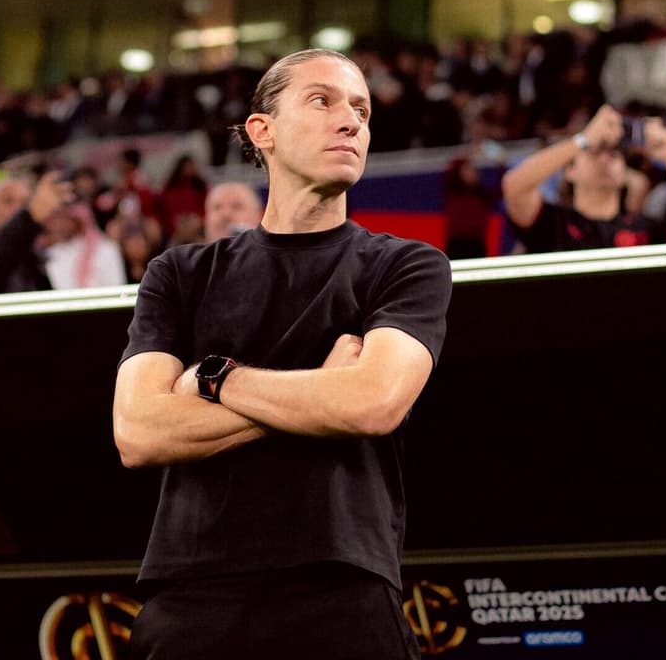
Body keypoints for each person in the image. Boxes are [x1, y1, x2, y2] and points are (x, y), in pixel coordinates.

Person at [113, 48, 451, 660]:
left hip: (343, 590)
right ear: (261, 130)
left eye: (362, 111)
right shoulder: (179, 273)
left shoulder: (407, 265)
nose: (350, 121)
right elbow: (138, 432)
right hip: (190, 594)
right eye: (322, 100)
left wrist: (213, 379)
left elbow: (372, 403)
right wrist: (322, 389)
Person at [502, 105, 666, 253]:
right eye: (594, 152)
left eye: (614, 154)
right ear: (570, 171)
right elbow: (514, 186)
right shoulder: (553, 222)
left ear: (626, 173)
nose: (605, 160)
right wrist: (583, 140)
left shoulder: (644, 229)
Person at [41, 203, 126, 289]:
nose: (61, 226)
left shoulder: (107, 249)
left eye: (66, 220)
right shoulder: (54, 253)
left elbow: (116, 284)